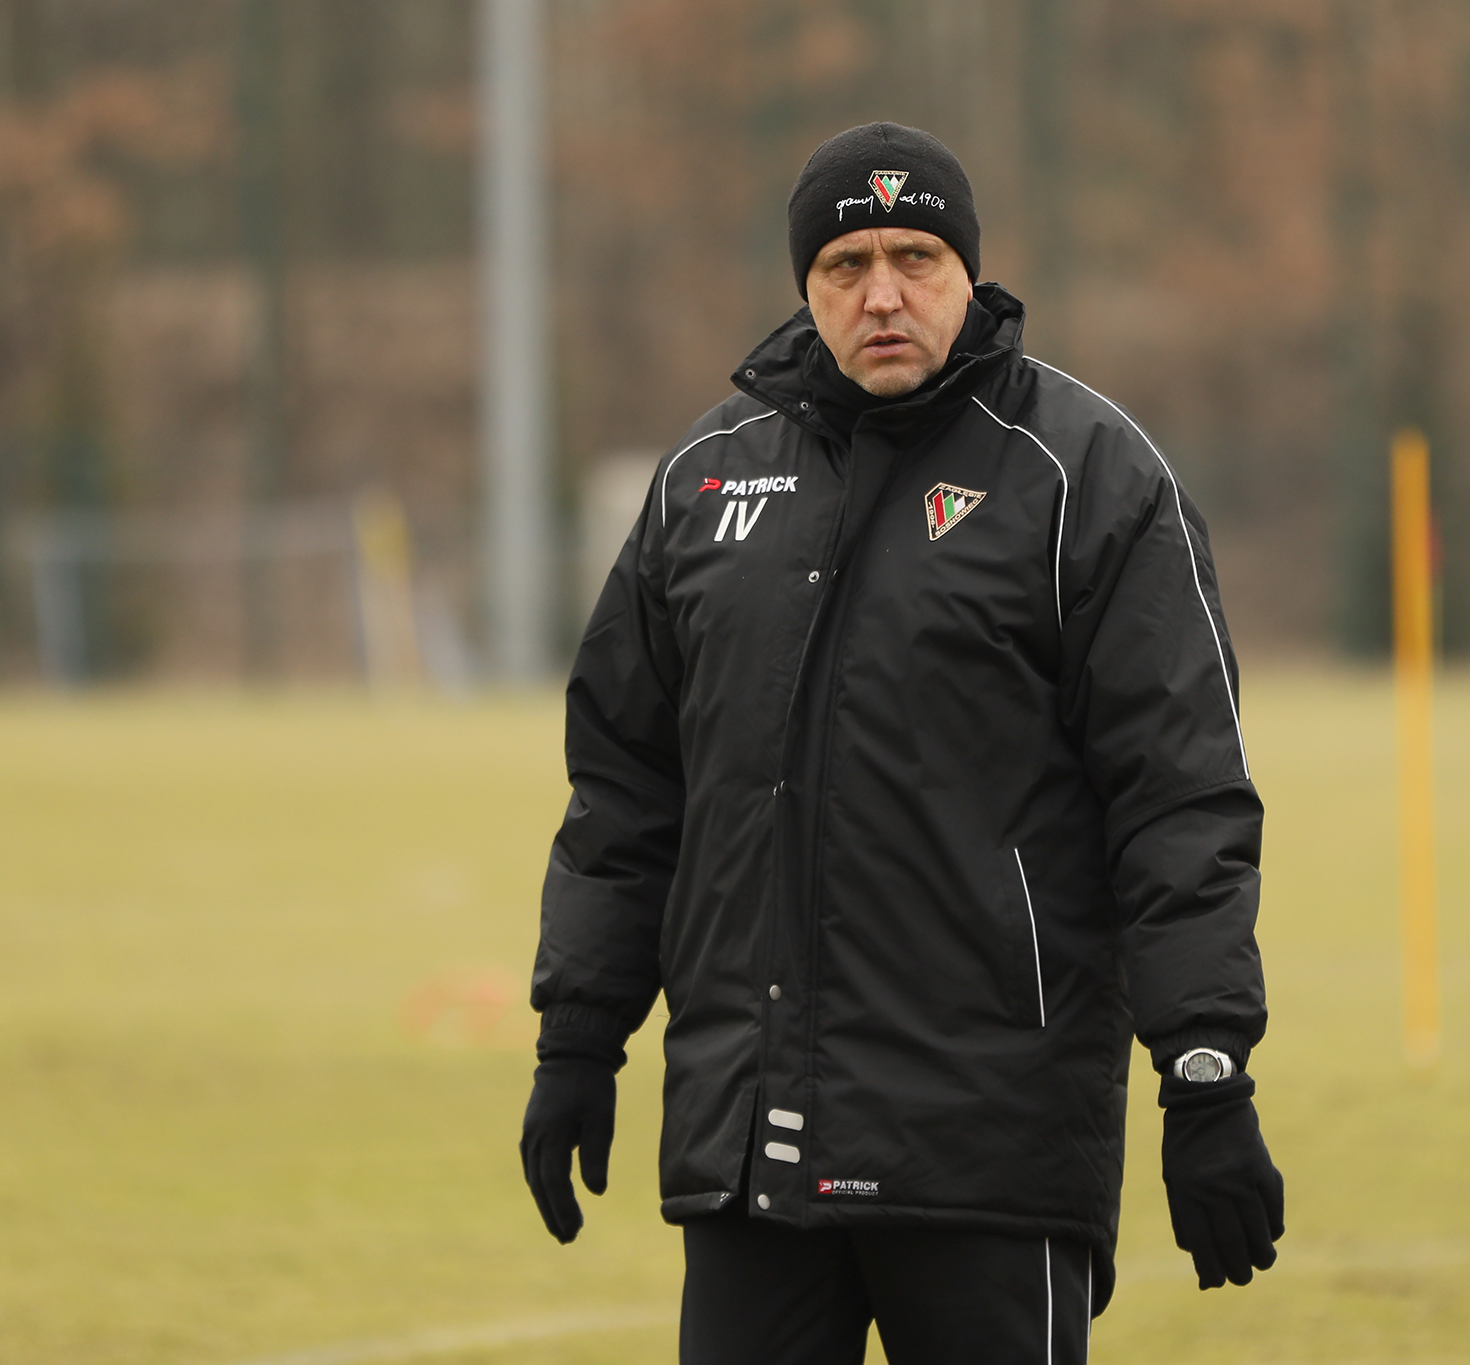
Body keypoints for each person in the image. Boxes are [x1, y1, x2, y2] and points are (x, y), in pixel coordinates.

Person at [520, 121, 1283, 1365]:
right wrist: (577, 1039)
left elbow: (1179, 801)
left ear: (967, 273)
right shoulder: (704, 484)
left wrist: (1203, 1070)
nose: (881, 292)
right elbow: (623, 797)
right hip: (753, 1149)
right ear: (805, 286)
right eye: (846, 264)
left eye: (915, 258)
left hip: (988, 1150)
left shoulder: (1087, 477)